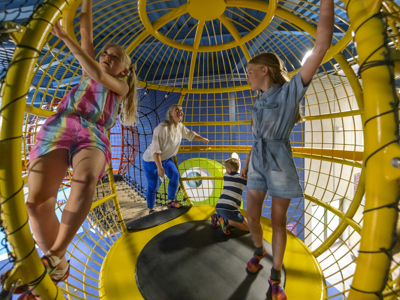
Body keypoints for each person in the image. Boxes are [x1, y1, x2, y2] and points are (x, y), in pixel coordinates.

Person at [1, 0, 138, 295]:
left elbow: (99, 73)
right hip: (59, 126)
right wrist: (82, 3)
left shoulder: (120, 87)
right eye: (104, 53)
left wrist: (65, 38)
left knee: (86, 177)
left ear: (126, 69)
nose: (106, 57)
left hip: (91, 132)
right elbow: (86, 32)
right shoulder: (90, 70)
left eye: (115, 57)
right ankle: (60, 265)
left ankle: (54, 254)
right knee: (35, 205)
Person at [240, 1, 334, 299]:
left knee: (277, 220)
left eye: (250, 72)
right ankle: (258, 251)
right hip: (257, 163)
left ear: (264, 70)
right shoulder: (256, 101)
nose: (248, 77)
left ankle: (275, 278)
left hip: (279, 163)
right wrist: (246, 164)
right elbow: (256, 138)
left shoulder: (290, 91)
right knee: (251, 216)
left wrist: (326, 5)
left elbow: (320, 45)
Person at [142, 104, 209, 214]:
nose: (180, 112)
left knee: (175, 175)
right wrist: (159, 167)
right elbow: (155, 151)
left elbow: (191, 134)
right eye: (176, 110)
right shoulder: (161, 128)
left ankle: (170, 202)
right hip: (151, 160)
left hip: (166, 159)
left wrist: (202, 139)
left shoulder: (180, 127)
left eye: (181, 110)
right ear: (170, 113)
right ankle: (151, 209)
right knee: (152, 185)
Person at [211, 158, 249, 235]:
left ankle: (217, 216)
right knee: (249, 228)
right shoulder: (241, 178)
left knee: (226, 213)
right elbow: (250, 183)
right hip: (230, 209)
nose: (225, 170)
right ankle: (226, 221)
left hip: (218, 207)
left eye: (226, 168)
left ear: (230, 169)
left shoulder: (226, 176)